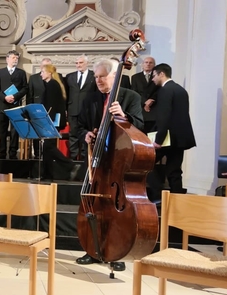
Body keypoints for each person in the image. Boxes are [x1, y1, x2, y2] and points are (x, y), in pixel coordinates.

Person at [75, 59, 144, 272]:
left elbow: (140, 126)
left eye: (102, 76)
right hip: (97, 160)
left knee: (116, 209)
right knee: (96, 205)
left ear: (115, 76)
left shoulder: (131, 97)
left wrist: (124, 116)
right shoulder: (90, 98)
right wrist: (85, 135)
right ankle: (93, 249)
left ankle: (117, 251)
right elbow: (79, 125)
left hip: (120, 160)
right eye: (95, 77)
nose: (98, 81)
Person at [151, 63, 196, 194]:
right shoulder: (180, 90)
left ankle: (158, 194)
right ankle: (177, 200)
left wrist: (158, 140)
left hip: (167, 138)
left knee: (144, 165)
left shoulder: (165, 90)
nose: (152, 79)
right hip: (180, 138)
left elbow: (164, 118)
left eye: (154, 76)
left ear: (161, 74)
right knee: (174, 170)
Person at [0, 50, 27, 159]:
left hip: (15, 105)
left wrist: (15, 96)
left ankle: (13, 153)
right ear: (7, 59)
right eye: (13, 58)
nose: (15, 60)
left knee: (14, 131)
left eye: (17, 58)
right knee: (2, 131)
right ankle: (1, 154)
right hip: (3, 106)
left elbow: (25, 88)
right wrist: (5, 97)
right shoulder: (0, 72)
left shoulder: (21, 73)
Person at [64, 55, 95, 159]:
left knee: (86, 135)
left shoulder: (94, 75)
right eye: (76, 63)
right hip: (72, 110)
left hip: (87, 111)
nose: (78, 65)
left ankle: (83, 159)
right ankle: (73, 160)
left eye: (81, 63)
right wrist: (66, 110)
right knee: (73, 135)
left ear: (87, 63)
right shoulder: (69, 76)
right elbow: (66, 94)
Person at [130, 57, 159, 133]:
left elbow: (159, 90)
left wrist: (151, 100)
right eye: (146, 62)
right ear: (142, 65)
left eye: (150, 62)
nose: (148, 64)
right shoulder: (135, 77)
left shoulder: (157, 77)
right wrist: (145, 102)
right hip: (140, 109)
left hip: (154, 109)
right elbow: (134, 92)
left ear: (154, 65)